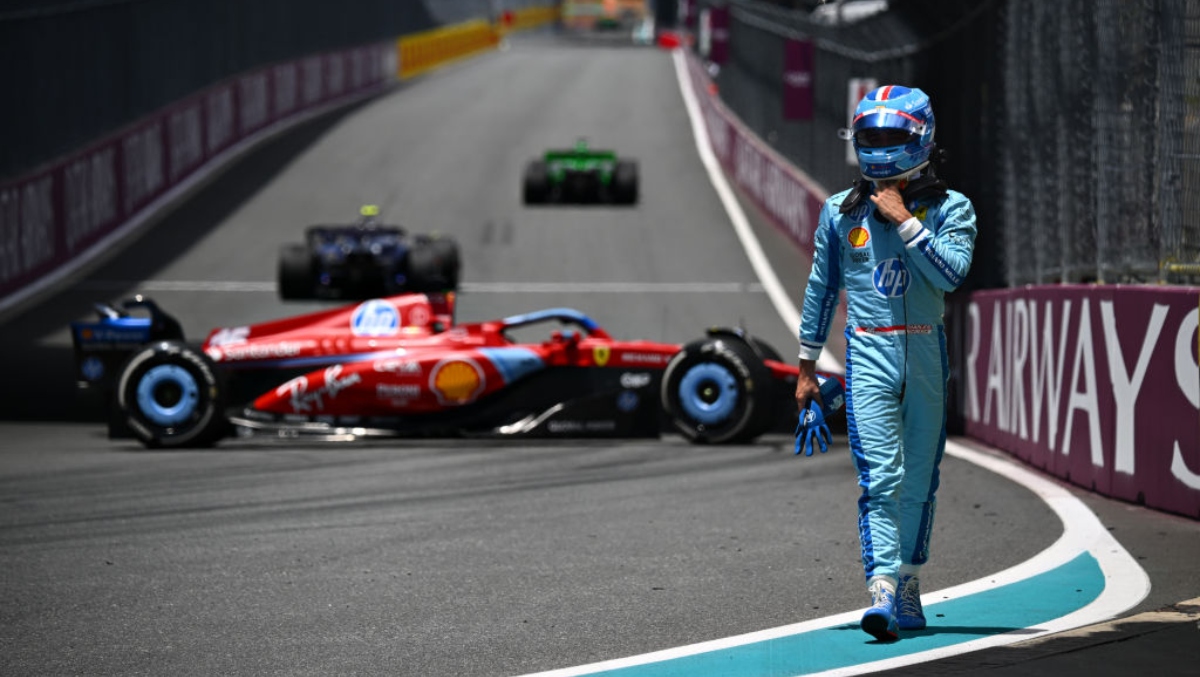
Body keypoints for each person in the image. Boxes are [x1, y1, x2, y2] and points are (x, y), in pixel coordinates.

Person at [792, 84, 977, 641]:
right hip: (867, 351)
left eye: (890, 137)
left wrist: (905, 221)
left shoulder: (953, 207)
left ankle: (911, 577)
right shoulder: (838, 212)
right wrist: (805, 368)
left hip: (925, 349)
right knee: (881, 478)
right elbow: (821, 289)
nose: (878, 147)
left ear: (920, 137)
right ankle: (882, 590)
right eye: (869, 137)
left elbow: (952, 275)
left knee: (921, 477)